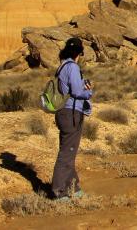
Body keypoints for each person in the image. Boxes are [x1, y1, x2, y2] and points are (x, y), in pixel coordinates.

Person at [50, 37, 93, 200]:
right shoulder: (73, 67)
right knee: (67, 153)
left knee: (69, 150)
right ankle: (59, 191)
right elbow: (76, 91)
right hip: (71, 113)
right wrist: (88, 91)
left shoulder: (62, 66)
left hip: (63, 112)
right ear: (78, 53)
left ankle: (73, 188)